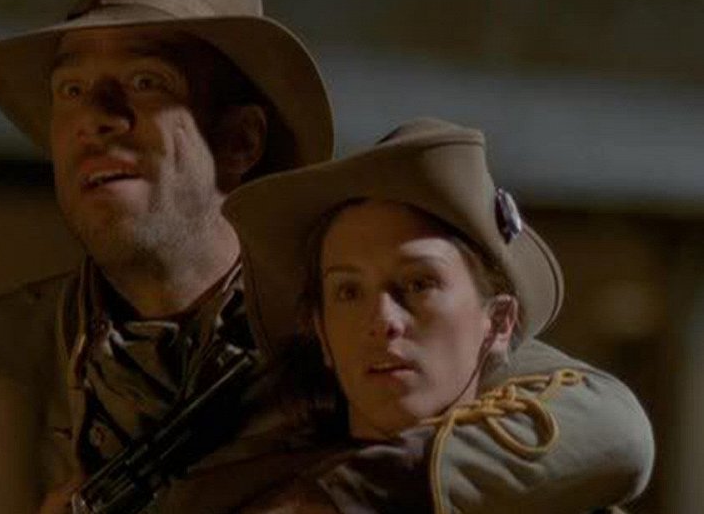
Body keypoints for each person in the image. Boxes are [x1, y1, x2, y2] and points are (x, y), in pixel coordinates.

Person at [0, 0, 653, 514]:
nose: (97, 117)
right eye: (71, 91)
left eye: (147, 82)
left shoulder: (347, 322)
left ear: (240, 142)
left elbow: (602, 423)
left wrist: (333, 496)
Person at [223, 118, 651, 513]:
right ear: (321, 332)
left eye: (418, 284)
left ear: (499, 322)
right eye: (348, 291)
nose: (382, 320)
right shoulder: (252, 496)